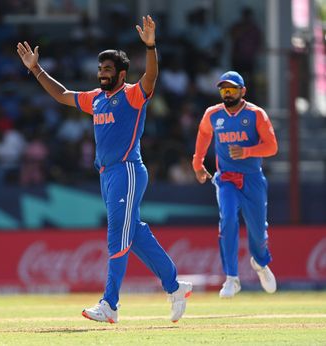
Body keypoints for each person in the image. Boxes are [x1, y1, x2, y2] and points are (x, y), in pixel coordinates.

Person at [17, 15, 192, 324]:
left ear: (121, 73)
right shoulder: (96, 99)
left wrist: (151, 46)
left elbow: (150, 78)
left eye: (107, 69)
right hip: (108, 175)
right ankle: (175, 286)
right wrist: (36, 69)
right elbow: (61, 95)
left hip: (127, 171)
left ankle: (109, 304)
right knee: (134, 234)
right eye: (100, 69)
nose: (101, 74)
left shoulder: (132, 95)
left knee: (117, 236)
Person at [192, 71, 278, 298]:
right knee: (228, 219)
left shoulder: (256, 114)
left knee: (258, 233)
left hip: (252, 180)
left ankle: (260, 263)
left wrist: (247, 151)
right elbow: (203, 134)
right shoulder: (213, 114)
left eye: (231, 89)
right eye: (223, 89)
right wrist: (197, 162)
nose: (227, 93)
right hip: (226, 179)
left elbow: (271, 147)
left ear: (243, 91)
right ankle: (232, 278)